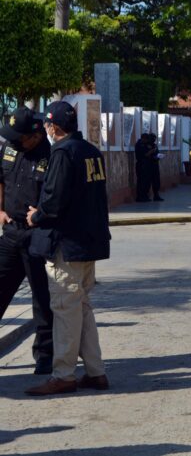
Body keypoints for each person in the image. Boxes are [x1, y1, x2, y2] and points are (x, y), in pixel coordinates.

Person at [24, 101, 111, 396]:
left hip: (67, 244)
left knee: (65, 309)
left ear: (53, 127)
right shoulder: (91, 152)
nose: (46, 129)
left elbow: (54, 200)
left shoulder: (62, 153)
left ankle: (63, 374)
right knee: (82, 307)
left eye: (47, 124)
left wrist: (36, 216)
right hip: (89, 242)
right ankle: (95, 371)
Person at [0, 107, 54, 375]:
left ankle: (45, 355)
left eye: (18, 137)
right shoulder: (9, 149)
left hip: (37, 237)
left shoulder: (52, 155)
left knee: (42, 300)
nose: (12, 142)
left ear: (35, 134)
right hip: (10, 233)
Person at [134, 133, 151, 202]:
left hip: (145, 164)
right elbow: (144, 155)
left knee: (146, 181)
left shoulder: (145, 144)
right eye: (146, 140)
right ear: (143, 139)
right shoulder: (139, 145)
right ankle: (140, 197)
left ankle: (144, 196)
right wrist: (150, 152)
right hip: (141, 164)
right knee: (141, 181)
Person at [147, 133, 163, 201]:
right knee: (147, 181)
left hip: (155, 165)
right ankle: (146, 195)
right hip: (148, 165)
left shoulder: (155, 145)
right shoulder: (146, 145)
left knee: (156, 180)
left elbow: (157, 153)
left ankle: (156, 195)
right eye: (152, 138)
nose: (154, 140)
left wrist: (159, 156)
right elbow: (145, 155)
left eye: (154, 138)